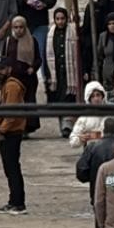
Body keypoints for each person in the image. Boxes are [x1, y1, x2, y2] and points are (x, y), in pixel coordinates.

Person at [0, 57, 28, 215]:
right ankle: (14, 201)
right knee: (10, 169)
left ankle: (17, 203)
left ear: (9, 69)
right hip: (7, 134)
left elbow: (11, 114)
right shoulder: (5, 86)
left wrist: (2, 131)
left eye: (2, 68)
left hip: (11, 134)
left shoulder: (11, 86)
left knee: (12, 169)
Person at [12, 0, 57, 87]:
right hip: (22, 24)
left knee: (42, 52)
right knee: (20, 53)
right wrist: (25, 1)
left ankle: (46, 79)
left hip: (40, 22)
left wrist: (44, 4)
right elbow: (12, 0)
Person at [45, 7, 80, 136]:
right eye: (57, 19)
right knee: (58, 99)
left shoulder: (72, 33)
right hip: (56, 73)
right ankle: (63, 125)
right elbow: (47, 54)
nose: (60, 21)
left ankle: (67, 126)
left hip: (70, 72)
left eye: (62, 19)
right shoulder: (50, 34)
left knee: (68, 98)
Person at [69, 80, 114, 148]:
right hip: (93, 153)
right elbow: (72, 141)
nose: (96, 99)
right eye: (92, 96)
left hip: (113, 152)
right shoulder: (85, 117)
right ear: (89, 99)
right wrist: (80, 139)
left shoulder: (113, 110)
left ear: (103, 95)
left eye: (98, 95)